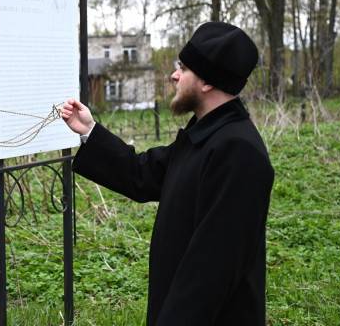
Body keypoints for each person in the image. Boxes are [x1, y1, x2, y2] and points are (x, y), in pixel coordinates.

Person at [61, 22, 274, 325]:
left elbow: (212, 270)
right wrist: (89, 131)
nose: (174, 75)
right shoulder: (206, 134)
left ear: (207, 82)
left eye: (183, 68)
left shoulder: (238, 153)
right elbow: (143, 173)